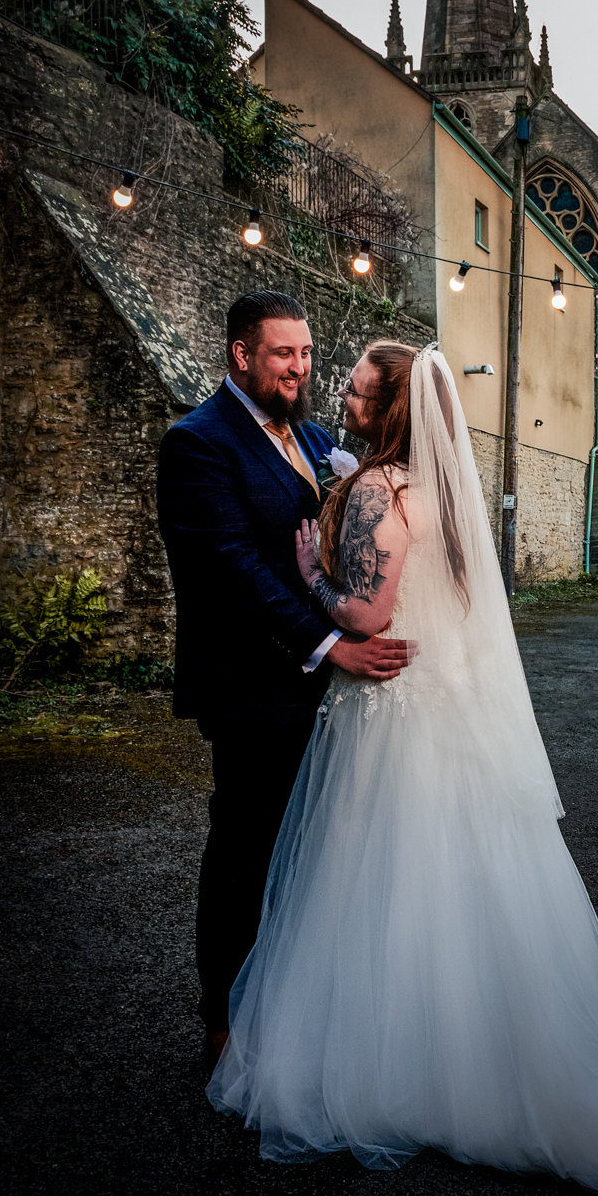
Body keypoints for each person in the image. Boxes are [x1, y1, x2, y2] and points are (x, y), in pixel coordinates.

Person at [208, 340, 598, 1196]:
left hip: (390, 714)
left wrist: (309, 580)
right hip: (448, 712)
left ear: (386, 410)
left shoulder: (377, 489)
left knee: (380, 881)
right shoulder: (446, 490)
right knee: (468, 882)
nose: (343, 394)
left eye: (358, 390)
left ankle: (391, 1069)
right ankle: (487, 1067)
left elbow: (368, 612)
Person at [156, 292, 410, 1057]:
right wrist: (333, 644)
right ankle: (224, 1019)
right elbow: (230, 567)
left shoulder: (319, 435)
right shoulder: (198, 443)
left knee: (308, 852)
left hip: (319, 695)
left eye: (303, 354)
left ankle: (289, 1005)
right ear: (241, 355)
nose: (299, 368)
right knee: (244, 849)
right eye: (282, 355)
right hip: (249, 686)